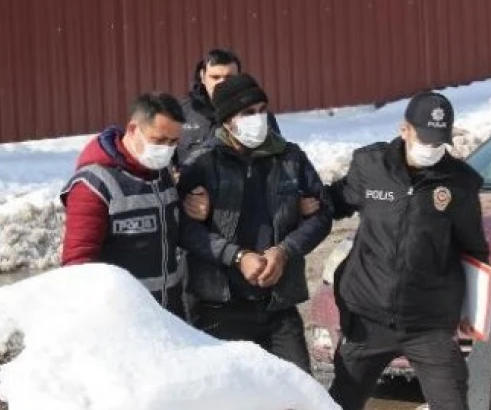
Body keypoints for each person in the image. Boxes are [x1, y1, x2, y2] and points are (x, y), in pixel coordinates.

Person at [322, 91, 491, 410]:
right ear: (404, 129)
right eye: (425, 137)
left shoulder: (459, 182)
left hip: (429, 322)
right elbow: (328, 205)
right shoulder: (370, 166)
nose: (432, 146)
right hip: (369, 317)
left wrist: (470, 309)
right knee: (337, 409)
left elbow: (474, 249)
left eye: (441, 139)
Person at [177, 74, 330, 373]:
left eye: (262, 109)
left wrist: (285, 251)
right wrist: (236, 256)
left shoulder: (290, 158)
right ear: (228, 120)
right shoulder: (203, 164)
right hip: (219, 309)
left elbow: (323, 214)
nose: (258, 118)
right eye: (248, 113)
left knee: (300, 399)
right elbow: (184, 229)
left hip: (277, 306)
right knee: (227, 402)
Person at [60, 93, 192, 316]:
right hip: (124, 321)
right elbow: (78, 266)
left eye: (173, 142)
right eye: (159, 140)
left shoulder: (162, 174)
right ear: (133, 129)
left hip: (170, 316)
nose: (166, 150)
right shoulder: (93, 185)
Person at [176, 48, 282, 169]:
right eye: (215, 77)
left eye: (229, 78)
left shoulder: (257, 115)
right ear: (202, 77)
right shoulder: (181, 113)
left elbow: (278, 157)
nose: (221, 83)